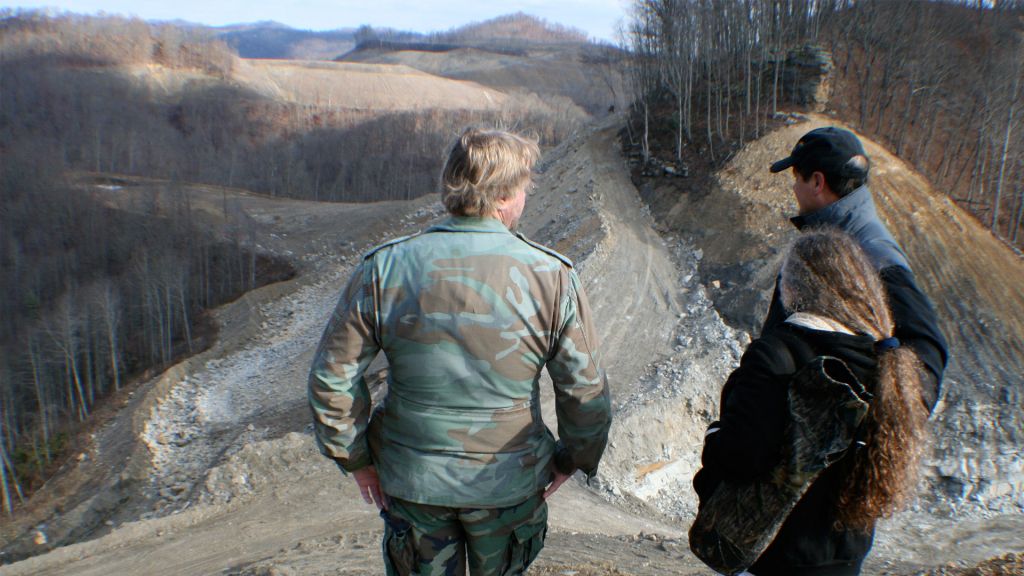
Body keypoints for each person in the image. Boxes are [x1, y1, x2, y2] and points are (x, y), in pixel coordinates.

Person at [308, 128, 612, 576]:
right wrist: (574, 458)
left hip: (413, 483)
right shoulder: (553, 276)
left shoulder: (385, 267)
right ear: (505, 196)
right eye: (525, 188)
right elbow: (584, 389)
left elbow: (333, 378)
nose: (525, 197)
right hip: (508, 484)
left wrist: (354, 458)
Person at [695, 229, 931, 575]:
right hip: (843, 558)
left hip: (772, 556)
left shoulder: (777, 354)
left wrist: (714, 437)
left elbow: (741, 457)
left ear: (794, 287)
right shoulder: (884, 363)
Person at [762, 126, 948, 408]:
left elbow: (926, 347)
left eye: (796, 177)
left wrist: (870, 428)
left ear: (816, 182)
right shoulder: (834, 242)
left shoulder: (873, 251)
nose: (793, 188)